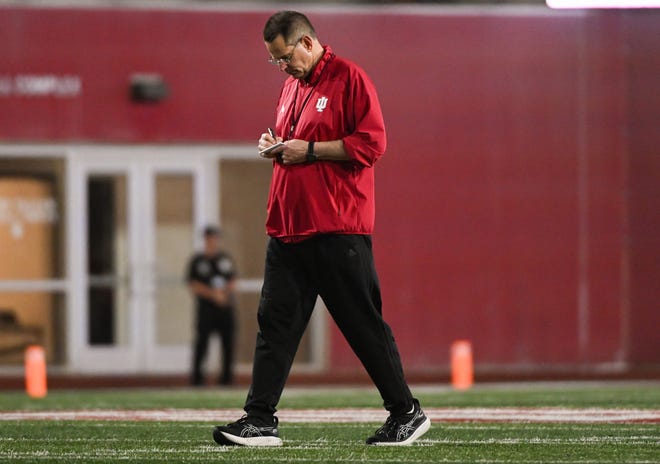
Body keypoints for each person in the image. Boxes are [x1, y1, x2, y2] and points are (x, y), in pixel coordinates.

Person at [213, 11, 430, 447]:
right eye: (274, 61)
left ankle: (406, 413)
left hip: (336, 228)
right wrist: (275, 146)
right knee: (274, 325)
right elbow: (296, 146)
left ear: (307, 43)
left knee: (361, 324)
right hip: (289, 229)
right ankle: (259, 420)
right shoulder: (292, 86)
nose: (282, 67)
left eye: (284, 58)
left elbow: (372, 144)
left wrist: (308, 149)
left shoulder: (350, 79)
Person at [186, 225, 237, 386]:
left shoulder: (225, 259)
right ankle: (197, 379)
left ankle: (226, 379)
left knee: (228, 343)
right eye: (210, 238)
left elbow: (232, 280)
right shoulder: (197, 261)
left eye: (215, 238)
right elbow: (194, 284)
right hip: (206, 309)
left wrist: (223, 294)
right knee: (202, 343)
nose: (212, 241)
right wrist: (212, 294)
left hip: (225, 308)